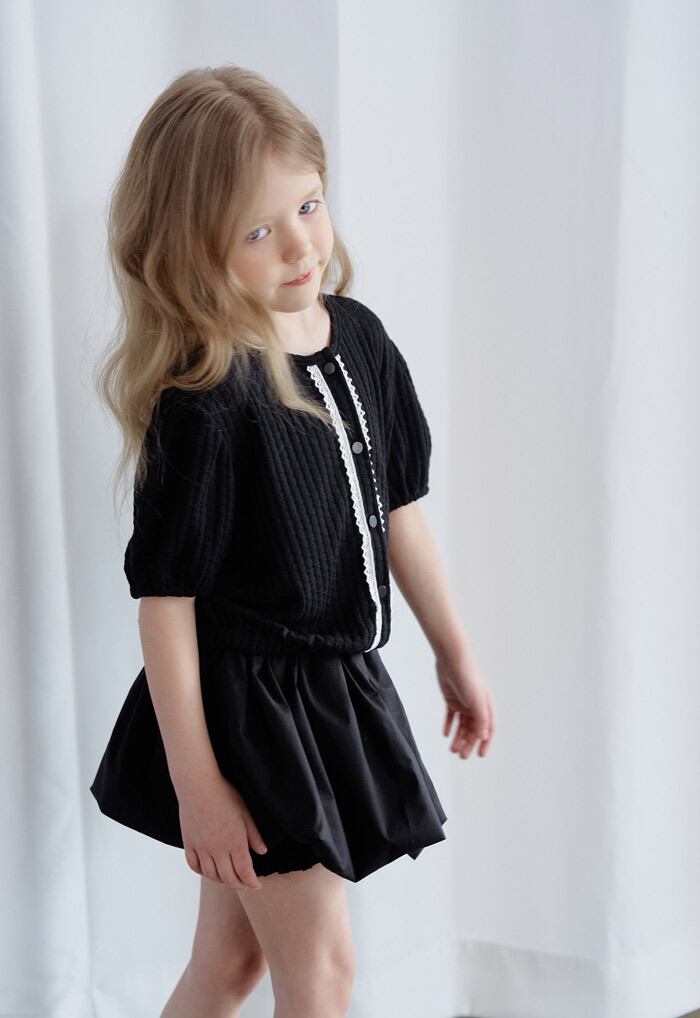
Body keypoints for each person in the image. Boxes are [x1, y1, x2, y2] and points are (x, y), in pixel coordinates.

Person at [89, 64, 495, 1018]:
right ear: (191, 250)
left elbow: (398, 510)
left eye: (308, 205)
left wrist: (454, 651)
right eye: (257, 231)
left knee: (232, 964)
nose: (301, 244)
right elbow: (166, 604)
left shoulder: (360, 337)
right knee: (322, 971)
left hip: (332, 689)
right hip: (251, 713)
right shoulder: (209, 395)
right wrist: (199, 782)